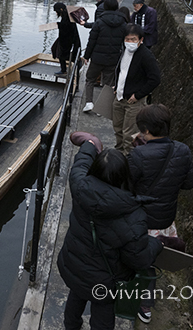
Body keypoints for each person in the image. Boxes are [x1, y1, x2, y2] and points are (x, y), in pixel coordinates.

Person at [57, 138, 163, 330]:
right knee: (103, 316)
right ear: (124, 176)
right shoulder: (133, 215)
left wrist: (89, 143)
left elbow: (80, 163)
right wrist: (157, 244)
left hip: (74, 265)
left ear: (95, 170)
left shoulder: (80, 187)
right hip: (105, 281)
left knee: (75, 299)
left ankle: (71, 327)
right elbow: (139, 259)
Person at [127, 104, 193, 323]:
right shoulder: (183, 150)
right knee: (152, 261)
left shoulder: (138, 154)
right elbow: (189, 183)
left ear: (145, 130)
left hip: (140, 219)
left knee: (136, 259)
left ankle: (129, 297)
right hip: (165, 219)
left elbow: (127, 187)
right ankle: (146, 308)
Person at [112, 24, 160, 154]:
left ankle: (128, 158)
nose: (130, 42)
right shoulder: (123, 51)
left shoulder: (146, 55)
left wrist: (138, 95)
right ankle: (118, 152)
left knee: (130, 133)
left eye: (133, 39)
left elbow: (155, 78)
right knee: (117, 128)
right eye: (127, 39)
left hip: (133, 101)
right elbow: (121, 71)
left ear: (141, 40)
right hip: (119, 96)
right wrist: (116, 86)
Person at [81, 0, 127, 113]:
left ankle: (89, 103)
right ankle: (103, 108)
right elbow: (124, 43)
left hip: (97, 58)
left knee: (90, 79)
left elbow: (92, 41)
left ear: (105, 7)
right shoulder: (123, 23)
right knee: (108, 83)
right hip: (113, 58)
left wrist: (86, 56)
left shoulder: (99, 22)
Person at [51, 2, 82, 75]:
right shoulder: (68, 14)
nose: (56, 13)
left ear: (60, 9)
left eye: (56, 11)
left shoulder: (66, 17)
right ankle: (67, 68)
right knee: (60, 52)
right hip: (69, 38)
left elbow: (66, 27)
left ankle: (64, 70)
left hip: (68, 39)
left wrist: (58, 25)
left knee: (61, 54)